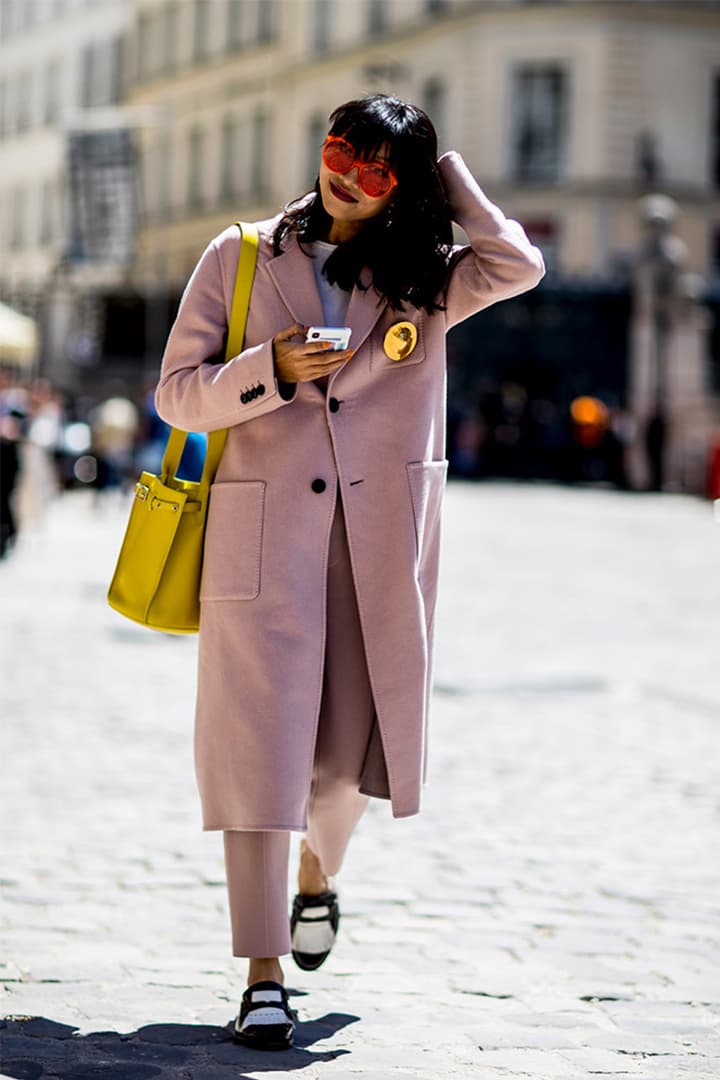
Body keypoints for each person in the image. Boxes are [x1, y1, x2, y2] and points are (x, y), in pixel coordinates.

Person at [155, 93, 545, 1050]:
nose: (349, 174)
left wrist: (443, 174)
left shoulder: (430, 278)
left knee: (340, 769)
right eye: (341, 150)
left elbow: (520, 264)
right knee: (261, 761)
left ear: (402, 187)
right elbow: (176, 396)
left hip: (375, 549)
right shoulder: (240, 254)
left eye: (377, 167)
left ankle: (319, 875)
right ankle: (261, 976)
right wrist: (271, 368)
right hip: (262, 548)